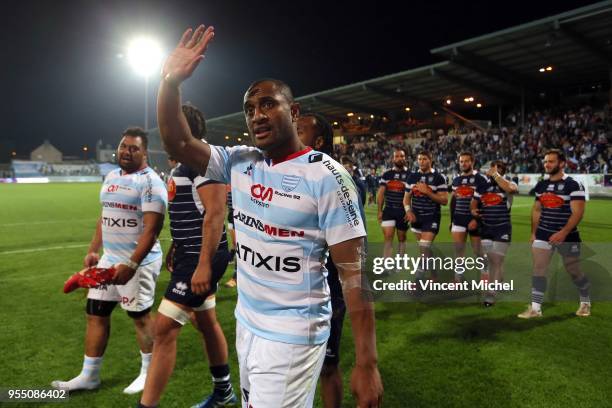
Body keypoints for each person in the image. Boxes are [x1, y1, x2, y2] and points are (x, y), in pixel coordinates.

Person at [156, 25, 382, 408]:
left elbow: (354, 275)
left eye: (267, 104)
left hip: (295, 332)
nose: (257, 115)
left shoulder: (326, 176)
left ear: (293, 112)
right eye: (249, 110)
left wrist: (367, 363)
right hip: (248, 322)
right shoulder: (240, 162)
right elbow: (177, 142)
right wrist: (170, 83)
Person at [52, 128, 167, 394]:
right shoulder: (112, 176)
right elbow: (105, 215)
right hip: (109, 260)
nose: (126, 151)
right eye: (123, 146)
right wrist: (94, 250)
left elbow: (152, 229)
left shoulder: (151, 183)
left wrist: (133, 264)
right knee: (95, 313)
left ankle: (149, 374)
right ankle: (89, 376)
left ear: (145, 152)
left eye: (133, 148)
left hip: (139, 262)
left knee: (139, 317)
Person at [140, 105, 236, 408]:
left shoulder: (202, 161)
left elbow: (216, 212)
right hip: (189, 255)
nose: (164, 133)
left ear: (182, 127)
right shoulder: (184, 164)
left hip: (201, 259)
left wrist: (204, 264)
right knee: (206, 323)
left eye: (168, 125)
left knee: (164, 329)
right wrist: (176, 245)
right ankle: (224, 393)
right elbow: (191, 211)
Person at [298, 114, 363, 408]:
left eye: (299, 131)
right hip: (291, 294)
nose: (292, 134)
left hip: (328, 291)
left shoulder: (336, 180)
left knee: (327, 365)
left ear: (319, 141)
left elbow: (352, 259)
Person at [518, 149, 590, 318]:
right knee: (539, 269)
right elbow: (537, 210)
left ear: (562, 163)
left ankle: (585, 301)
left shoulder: (573, 184)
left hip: (568, 236)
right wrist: (533, 232)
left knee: (573, 271)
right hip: (543, 234)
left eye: (551, 161)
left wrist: (563, 233)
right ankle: (535, 308)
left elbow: (578, 212)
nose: (547, 164)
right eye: (545, 161)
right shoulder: (541, 185)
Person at [471, 161, 518, 306]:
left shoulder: (509, 183)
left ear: (502, 172)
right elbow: (473, 202)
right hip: (486, 228)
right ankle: (498, 283)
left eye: (499, 169)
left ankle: (490, 295)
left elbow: (510, 189)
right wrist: (473, 210)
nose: (494, 171)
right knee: (491, 261)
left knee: (496, 260)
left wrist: (496, 175)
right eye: (493, 168)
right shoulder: (482, 186)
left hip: (502, 228)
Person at [403, 151, 448, 281]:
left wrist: (427, 192)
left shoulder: (439, 177)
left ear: (430, 160)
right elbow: (406, 198)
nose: (421, 161)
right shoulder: (412, 177)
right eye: (419, 159)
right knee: (426, 250)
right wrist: (408, 211)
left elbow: (444, 200)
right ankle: (434, 275)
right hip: (416, 218)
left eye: (424, 159)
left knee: (424, 247)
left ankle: (417, 279)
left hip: (431, 217)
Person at [450, 152, 487, 282]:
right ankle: (458, 279)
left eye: (466, 161)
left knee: (478, 252)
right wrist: (451, 220)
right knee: (458, 251)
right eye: (461, 161)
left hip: (473, 220)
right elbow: (453, 202)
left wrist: (476, 219)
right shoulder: (456, 180)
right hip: (458, 219)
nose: (463, 163)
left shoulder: (480, 179)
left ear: (472, 162)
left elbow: (485, 201)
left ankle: (485, 275)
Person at [377, 149, 410, 262]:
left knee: (402, 238)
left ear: (405, 158)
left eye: (402, 156)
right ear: (393, 159)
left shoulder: (410, 175)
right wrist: (380, 211)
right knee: (388, 237)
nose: (400, 158)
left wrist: (410, 211)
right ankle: (387, 263)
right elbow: (381, 193)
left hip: (403, 212)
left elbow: (414, 195)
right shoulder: (387, 174)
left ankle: (400, 262)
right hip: (389, 210)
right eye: (397, 156)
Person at [223, 184, 238, 288]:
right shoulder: (227, 182)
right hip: (230, 216)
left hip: (240, 216)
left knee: (238, 245)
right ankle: (231, 257)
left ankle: (235, 277)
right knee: (234, 243)